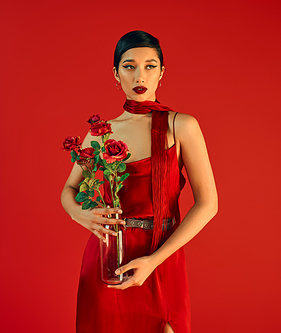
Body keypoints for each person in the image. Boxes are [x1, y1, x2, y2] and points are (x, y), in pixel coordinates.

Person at [61, 30, 218, 333]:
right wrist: (79, 213)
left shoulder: (181, 125)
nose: (139, 75)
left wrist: (154, 260)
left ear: (162, 72)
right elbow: (69, 190)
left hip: (161, 256)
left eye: (150, 65)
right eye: (129, 66)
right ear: (116, 74)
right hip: (108, 259)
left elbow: (208, 204)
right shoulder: (100, 133)